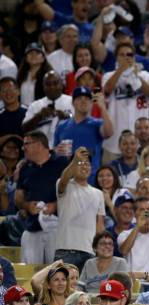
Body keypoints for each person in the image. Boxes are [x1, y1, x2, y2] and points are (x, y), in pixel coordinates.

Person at [16, 131, 68, 264]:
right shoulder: (24, 169)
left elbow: (73, 192)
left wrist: (56, 206)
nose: (24, 148)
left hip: (58, 227)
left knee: (57, 271)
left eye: (27, 144)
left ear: (39, 145)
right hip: (32, 227)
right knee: (30, 271)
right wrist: (27, 205)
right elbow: (18, 198)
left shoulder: (61, 163)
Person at [102, 42, 149, 162]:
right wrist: (121, 69)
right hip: (114, 141)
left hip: (140, 142)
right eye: (122, 55)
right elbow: (107, 90)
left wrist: (137, 76)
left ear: (134, 57)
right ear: (116, 57)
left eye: (129, 55)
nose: (126, 58)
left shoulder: (144, 75)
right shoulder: (108, 76)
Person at [54, 147, 105, 271]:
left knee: (86, 290)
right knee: (62, 289)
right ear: (72, 165)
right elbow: (64, 180)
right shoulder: (64, 184)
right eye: (80, 163)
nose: (84, 166)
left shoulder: (98, 193)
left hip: (90, 253)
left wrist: (99, 251)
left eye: (87, 164)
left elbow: (100, 225)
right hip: (66, 250)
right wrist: (75, 159)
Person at [54, 86, 113, 176]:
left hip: (90, 178)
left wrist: (103, 108)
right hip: (67, 177)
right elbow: (55, 150)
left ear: (91, 103)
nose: (83, 101)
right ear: (73, 103)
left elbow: (109, 133)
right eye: (79, 98)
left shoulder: (97, 124)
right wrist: (57, 151)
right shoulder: (61, 126)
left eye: (87, 99)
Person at [22, 71, 73, 145]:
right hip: (40, 150)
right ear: (43, 86)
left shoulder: (73, 102)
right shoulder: (35, 105)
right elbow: (24, 129)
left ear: (62, 84)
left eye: (55, 83)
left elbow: (81, 125)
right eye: (48, 84)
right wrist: (38, 117)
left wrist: (67, 117)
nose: (52, 87)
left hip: (66, 148)